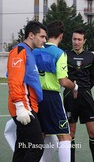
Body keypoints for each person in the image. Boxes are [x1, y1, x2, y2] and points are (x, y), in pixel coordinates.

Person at [33, 20, 78, 162]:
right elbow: (63, 81)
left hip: (35, 96)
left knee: (43, 135)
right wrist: (74, 86)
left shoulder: (35, 50)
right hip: (51, 97)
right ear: (61, 36)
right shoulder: (60, 54)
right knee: (65, 136)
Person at [7, 21, 47, 161]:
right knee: (37, 146)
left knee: (22, 147)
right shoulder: (20, 51)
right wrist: (19, 106)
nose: (44, 40)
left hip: (30, 105)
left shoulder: (29, 53)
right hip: (24, 106)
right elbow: (14, 80)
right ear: (31, 35)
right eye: (42, 36)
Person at [63, 29, 94, 162]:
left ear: (84, 41)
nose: (76, 42)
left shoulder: (91, 56)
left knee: (93, 133)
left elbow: (93, 78)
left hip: (86, 97)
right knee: (71, 133)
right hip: (69, 97)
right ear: (71, 39)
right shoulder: (64, 55)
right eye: (74, 39)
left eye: (79, 39)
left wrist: (84, 89)